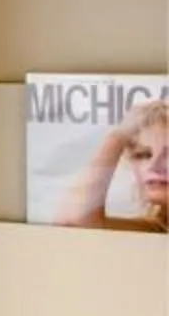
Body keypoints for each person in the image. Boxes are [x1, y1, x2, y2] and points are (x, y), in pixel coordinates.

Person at [53, 97, 169, 231]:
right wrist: (118, 136)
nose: (153, 166)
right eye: (142, 154)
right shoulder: (157, 229)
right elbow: (74, 222)